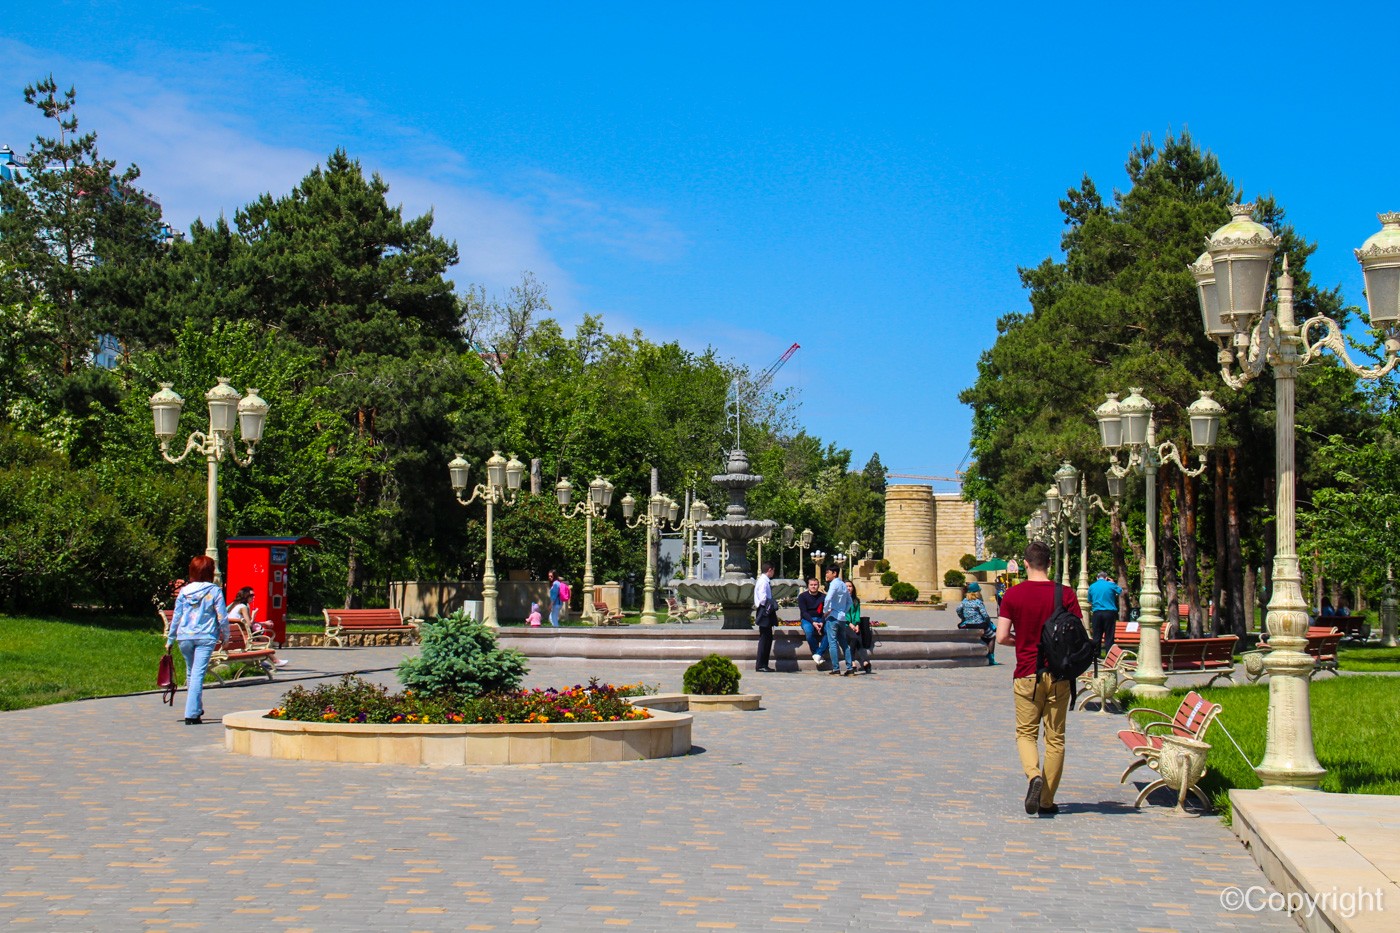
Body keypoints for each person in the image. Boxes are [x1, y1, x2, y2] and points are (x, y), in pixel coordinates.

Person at [996, 540, 1083, 816]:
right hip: (1058, 675)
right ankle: (1046, 800)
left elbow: (1001, 637)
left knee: (1026, 734)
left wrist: (1021, 641)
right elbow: (1078, 635)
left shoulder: (1013, 595)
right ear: (1049, 563)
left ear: (1025, 563)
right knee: (1055, 738)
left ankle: (1033, 775)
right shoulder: (1066, 594)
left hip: (1027, 674)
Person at [166, 556, 229, 725]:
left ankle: (196, 709)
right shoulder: (214, 590)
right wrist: (226, 636)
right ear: (210, 571)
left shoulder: (184, 591)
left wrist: (170, 638)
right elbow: (222, 616)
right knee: (198, 674)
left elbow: (177, 616)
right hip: (206, 636)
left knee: (191, 672)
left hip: (185, 636)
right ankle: (191, 714)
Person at [226, 586, 288, 667]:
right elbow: (249, 624)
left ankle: (263, 660)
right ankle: (274, 660)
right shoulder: (243, 607)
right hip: (240, 636)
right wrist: (254, 615)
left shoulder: (234, 605)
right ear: (246, 596)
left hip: (235, 635)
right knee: (262, 639)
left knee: (259, 636)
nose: (253, 597)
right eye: (251, 595)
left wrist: (263, 623)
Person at [822, 566, 856, 675]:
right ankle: (849, 668)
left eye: (828, 572)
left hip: (832, 616)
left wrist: (825, 611)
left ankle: (836, 668)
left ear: (834, 573)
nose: (826, 575)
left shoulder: (834, 584)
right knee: (844, 643)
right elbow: (850, 602)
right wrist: (843, 612)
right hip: (841, 618)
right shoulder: (842, 584)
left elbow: (828, 598)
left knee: (832, 642)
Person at [956, 582, 998, 665]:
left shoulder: (964, 601)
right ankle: (991, 658)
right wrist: (988, 622)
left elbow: (958, 610)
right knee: (992, 636)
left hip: (968, 624)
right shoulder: (978, 602)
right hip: (979, 624)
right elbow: (985, 615)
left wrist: (963, 618)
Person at [1087, 571, 1123, 657]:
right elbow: (1120, 591)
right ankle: (1109, 656)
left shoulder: (1092, 586)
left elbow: (1089, 600)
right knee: (1109, 636)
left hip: (1097, 613)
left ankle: (1096, 655)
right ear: (1106, 578)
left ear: (1097, 578)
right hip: (1109, 613)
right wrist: (1112, 582)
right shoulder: (1110, 585)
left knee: (1097, 635)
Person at [753, 561, 778, 672]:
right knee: (765, 639)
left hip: (764, 610)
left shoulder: (763, 581)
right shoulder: (763, 582)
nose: (773, 573)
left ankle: (763, 664)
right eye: (773, 570)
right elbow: (763, 599)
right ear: (770, 570)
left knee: (767, 638)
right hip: (765, 611)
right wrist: (772, 604)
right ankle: (761, 665)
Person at [796, 577, 826, 667]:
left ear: (818, 585)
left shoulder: (823, 597)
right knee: (809, 632)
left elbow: (826, 612)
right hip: (807, 619)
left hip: (821, 619)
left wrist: (822, 622)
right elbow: (804, 612)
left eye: (815, 585)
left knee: (830, 632)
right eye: (811, 585)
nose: (813, 586)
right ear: (808, 586)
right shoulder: (802, 596)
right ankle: (817, 653)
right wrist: (813, 622)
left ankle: (818, 654)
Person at [847, 581, 873, 674]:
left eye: (850, 586)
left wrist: (857, 624)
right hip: (845, 625)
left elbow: (857, 614)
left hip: (854, 625)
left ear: (853, 588)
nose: (848, 588)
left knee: (858, 638)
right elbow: (842, 614)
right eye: (846, 586)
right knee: (854, 637)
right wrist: (850, 624)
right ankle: (854, 661)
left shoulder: (856, 600)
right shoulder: (841, 600)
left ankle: (863, 661)